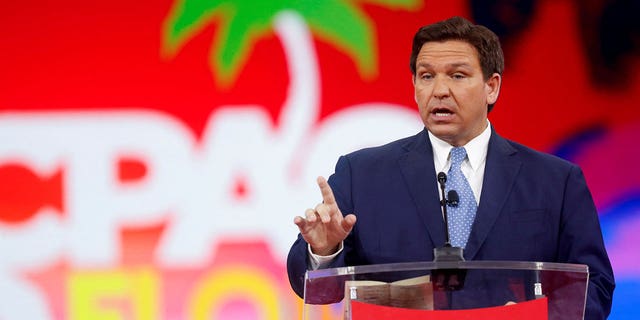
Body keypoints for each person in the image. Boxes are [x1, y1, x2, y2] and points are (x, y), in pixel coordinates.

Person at [287, 16, 614, 319]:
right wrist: (325, 249)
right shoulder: (362, 175)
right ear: (414, 84)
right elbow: (315, 289)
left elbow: (595, 286)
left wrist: (532, 316)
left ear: (492, 87)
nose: (439, 90)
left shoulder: (556, 181)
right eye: (427, 76)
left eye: (458, 75)